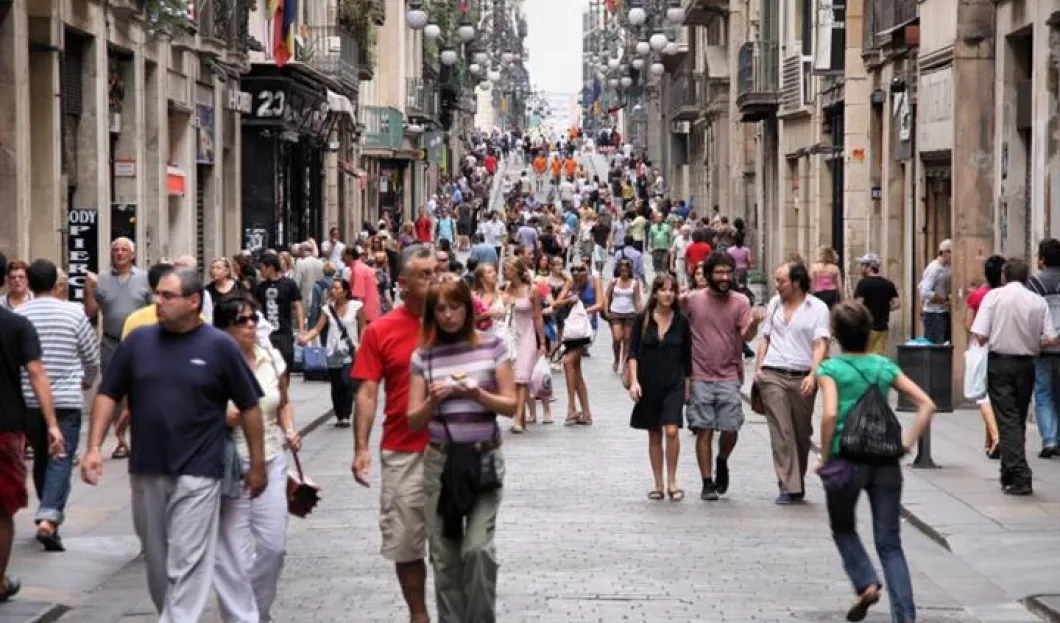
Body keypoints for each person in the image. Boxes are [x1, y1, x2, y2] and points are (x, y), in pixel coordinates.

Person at [81, 269, 267, 622]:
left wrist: (257, 464)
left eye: (167, 296)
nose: (158, 302)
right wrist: (93, 448)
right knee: (157, 561)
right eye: (157, 294)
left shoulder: (219, 346)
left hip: (200, 469)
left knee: (187, 559)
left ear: (193, 301)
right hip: (147, 467)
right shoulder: (138, 342)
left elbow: (249, 406)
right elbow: (108, 393)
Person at [816, 300, 937, 623]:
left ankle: (866, 581)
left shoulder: (829, 369)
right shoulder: (884, 366)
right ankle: (905, 617)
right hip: (885, 461)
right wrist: (906, 444)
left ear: (835, 334)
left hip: (846, 460)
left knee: (843, 528)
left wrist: (825, 456)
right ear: (869, 332)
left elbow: (829, 414)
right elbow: (927, 403)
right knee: (890, 543)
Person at [407, 279, 517, 623]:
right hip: (440, 463)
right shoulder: (423, 356)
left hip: (484, 460)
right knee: (444, 556)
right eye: (440, 309)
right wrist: (432, 400)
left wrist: (477, 394)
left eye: (455, 307)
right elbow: (413, 420)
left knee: (478, 549)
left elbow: (511, 405)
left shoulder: (493, 346)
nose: (448, 315)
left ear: (468, 310)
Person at [352, 246, 437, 623]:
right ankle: (419, 615)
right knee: (406, 542)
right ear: (402, 284)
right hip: (404, 450)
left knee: (456, 544)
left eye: (436, 272)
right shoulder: (380, 331)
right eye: (425, 274)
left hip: (453, 449)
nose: (434, 280)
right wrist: (361, 448)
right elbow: (368, 392)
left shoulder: (455, 322)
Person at [212, 295, 301, 623]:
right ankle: (241, 618)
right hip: (229, 467)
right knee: (232, 555)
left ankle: (256, 611)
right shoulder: (213, 364)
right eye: (242, 320)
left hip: (271, 459)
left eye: (253, 318)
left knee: (273, 547)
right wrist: (222, 416)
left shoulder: (271, 358)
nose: (250, 325)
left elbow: (283, 402)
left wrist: (289, 429)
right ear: (224, 329)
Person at [17, 260, 99, 552]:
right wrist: (87, 380)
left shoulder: (19, 314)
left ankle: (47, 513)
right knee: (61, 457)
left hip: (29, 399)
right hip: (65, 398)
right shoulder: (74, 313)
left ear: (29, 283)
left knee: (41, 457)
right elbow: (91, 356)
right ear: (56, 284)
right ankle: (49, 518)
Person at [0, 253, 64, 601]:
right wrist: (52, 424)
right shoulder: (17, 325)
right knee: (2, 509)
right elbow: (36, 372)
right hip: (6, 425)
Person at [970, 259, 1057, 495]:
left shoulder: (994, 297)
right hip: (1027, 364)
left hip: (1000, 363)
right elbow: (1051, 338)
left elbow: (980, 335)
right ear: (1027, 277)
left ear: (1004, 276)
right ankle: (1008, 471)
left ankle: (1020, 474)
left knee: (1007, 419)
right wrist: (1031, 343)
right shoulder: (1037, 301)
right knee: (1017, 417)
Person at [684, 252, 764, 501]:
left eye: (728, 272)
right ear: (708, 275)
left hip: (729, 373)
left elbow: (746, 335)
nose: (724, 277)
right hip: (700, 374)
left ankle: (722, 459)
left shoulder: (740, 302)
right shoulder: (693, 300)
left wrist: (754, 324)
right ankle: (707, 482)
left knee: (730, 427)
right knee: (704, 428)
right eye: (719, 272)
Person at [755, 262, 831, 504]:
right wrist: (759, 368)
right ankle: (788, 486)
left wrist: (813, 374)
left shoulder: (818, 308)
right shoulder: (774, 304)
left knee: (801, 432)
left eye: (781, 281)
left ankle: (796, 482)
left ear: (797, 282)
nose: (777, 285)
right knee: (782, 431)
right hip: (773, 373)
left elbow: (820, 344)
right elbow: (765, 338)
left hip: (802, 375)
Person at [83, 237, 152, 458]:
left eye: (124, 250)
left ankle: (139, 435)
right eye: (115, 250)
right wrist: (88, 289)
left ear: (133, 255)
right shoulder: (102, 279)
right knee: (114, 390)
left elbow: (154, 309)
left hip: (138, 342)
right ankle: (121, 440)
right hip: (111, 342)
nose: (119, 253)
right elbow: (91, 311)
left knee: (139, 389)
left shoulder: (144, 279)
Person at [628, 274, 691, 501]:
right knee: (654, 432)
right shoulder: (642, 319)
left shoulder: (682, 321)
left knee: (672, 430)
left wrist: (688, 386)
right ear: (655, 293)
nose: (668, 294)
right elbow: (633, 353)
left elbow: (687, 357)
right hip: (649, 382)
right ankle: (658, 483)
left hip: (674, 382)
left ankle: (672, 480)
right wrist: (634, 381)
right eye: (663, 289)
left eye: (672, 290)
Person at [298, 278, 365, 427]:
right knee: (336, 385)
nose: (333, 291)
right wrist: (306, 338)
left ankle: (346, 414)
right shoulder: (327, 309)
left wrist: (360, 344)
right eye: (332, 288)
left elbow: (363, 327)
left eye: (337, 288)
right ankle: (339, 414)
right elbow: (318, 328)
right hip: (332, 352)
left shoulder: (356, 306)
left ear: (345, 291)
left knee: (346, 382)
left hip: (349, 351)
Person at [555, 256, 603, 425]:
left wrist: (584, 311)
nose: (577, 274)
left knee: (568, 362)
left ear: (587, 271)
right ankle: (586, 413)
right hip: (573, 329)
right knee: (575, 369)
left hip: (588, 329)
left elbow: (601, 304)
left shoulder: (594, 281)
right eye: (573, 271)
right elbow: (556, 303)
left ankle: (571, 408)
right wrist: (569, 300)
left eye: (581, 270)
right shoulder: (570, 283)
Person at [501, 258, 547, 433]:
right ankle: (520, 417)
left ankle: (518, 419)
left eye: (507, 269)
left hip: (527, 336)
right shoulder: (505, 288)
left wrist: (542, 342)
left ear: (517, 271)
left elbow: (538, 316)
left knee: (522, 378)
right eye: (504, 269)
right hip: (510, 337)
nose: (504, 272)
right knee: (513, 378)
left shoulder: (532, 290)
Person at [965, 254, 1005, 459]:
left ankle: (996, 437)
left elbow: (968, 324)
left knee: (983, 396)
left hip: (981, 346)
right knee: (995, 394)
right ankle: (988, 442)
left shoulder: (978, 295)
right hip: (1004, 347)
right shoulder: (1007, 295)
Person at [1027, 238, 1060, 458]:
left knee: (1043, 392)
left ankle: (1049, 439)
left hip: (1043, 346)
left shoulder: (1034, 284)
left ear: (1042, 259)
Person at [254, 253, 304, 374]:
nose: (260, 271)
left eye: (262, 268)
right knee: (268, 368)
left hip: (284, 333)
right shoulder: (261, 287)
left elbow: (298, 306)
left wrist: (301, 330)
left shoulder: (289, 284)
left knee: (285, 369)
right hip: (266, 335)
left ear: (271, 267)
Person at [853, 253, 899, 355]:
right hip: (882, 328)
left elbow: (858, 305)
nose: (860, 268)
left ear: (869, 267)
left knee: (865, 356)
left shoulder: (863, 283)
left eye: (862, 265)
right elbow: (897, 304)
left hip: (866, 328)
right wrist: (885, 308)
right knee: (878, 356)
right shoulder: (888, 284)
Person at [604, 258, 643, 373]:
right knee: (617, 338)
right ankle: (616, 358)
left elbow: (637, 300)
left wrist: (641, 313)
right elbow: (607, 296)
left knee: (627, 339)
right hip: (615, 312)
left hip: (630, 313)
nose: (624, 273)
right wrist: (606, 310)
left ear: (629, 271)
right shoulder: (614, 282)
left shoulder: (634, 283)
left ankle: (625, 361)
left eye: (626, 270)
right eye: (622, 270)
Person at [918, 239, 953, 344]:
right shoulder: (934, 268)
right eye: (951, 252)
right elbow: (924, 291)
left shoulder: (947, 267)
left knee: (944, 343)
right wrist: (942, 299)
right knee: (936, 345)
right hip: (934, 313)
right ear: (945, 252)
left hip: (943, 311)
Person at [647, 211, 673, 277]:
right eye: (657, 218)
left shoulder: (667, 227)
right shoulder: (652, 227)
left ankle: (664, 277)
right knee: (656, 265)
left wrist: (670, 247)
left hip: (665, 249)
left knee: (664, 264)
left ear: (663, 218)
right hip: (655, 249)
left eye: (660, 217)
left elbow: (670, 237)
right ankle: (658, 278)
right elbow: (650, 238)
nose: (658, 219)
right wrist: (649, 247)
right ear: (655, 219)